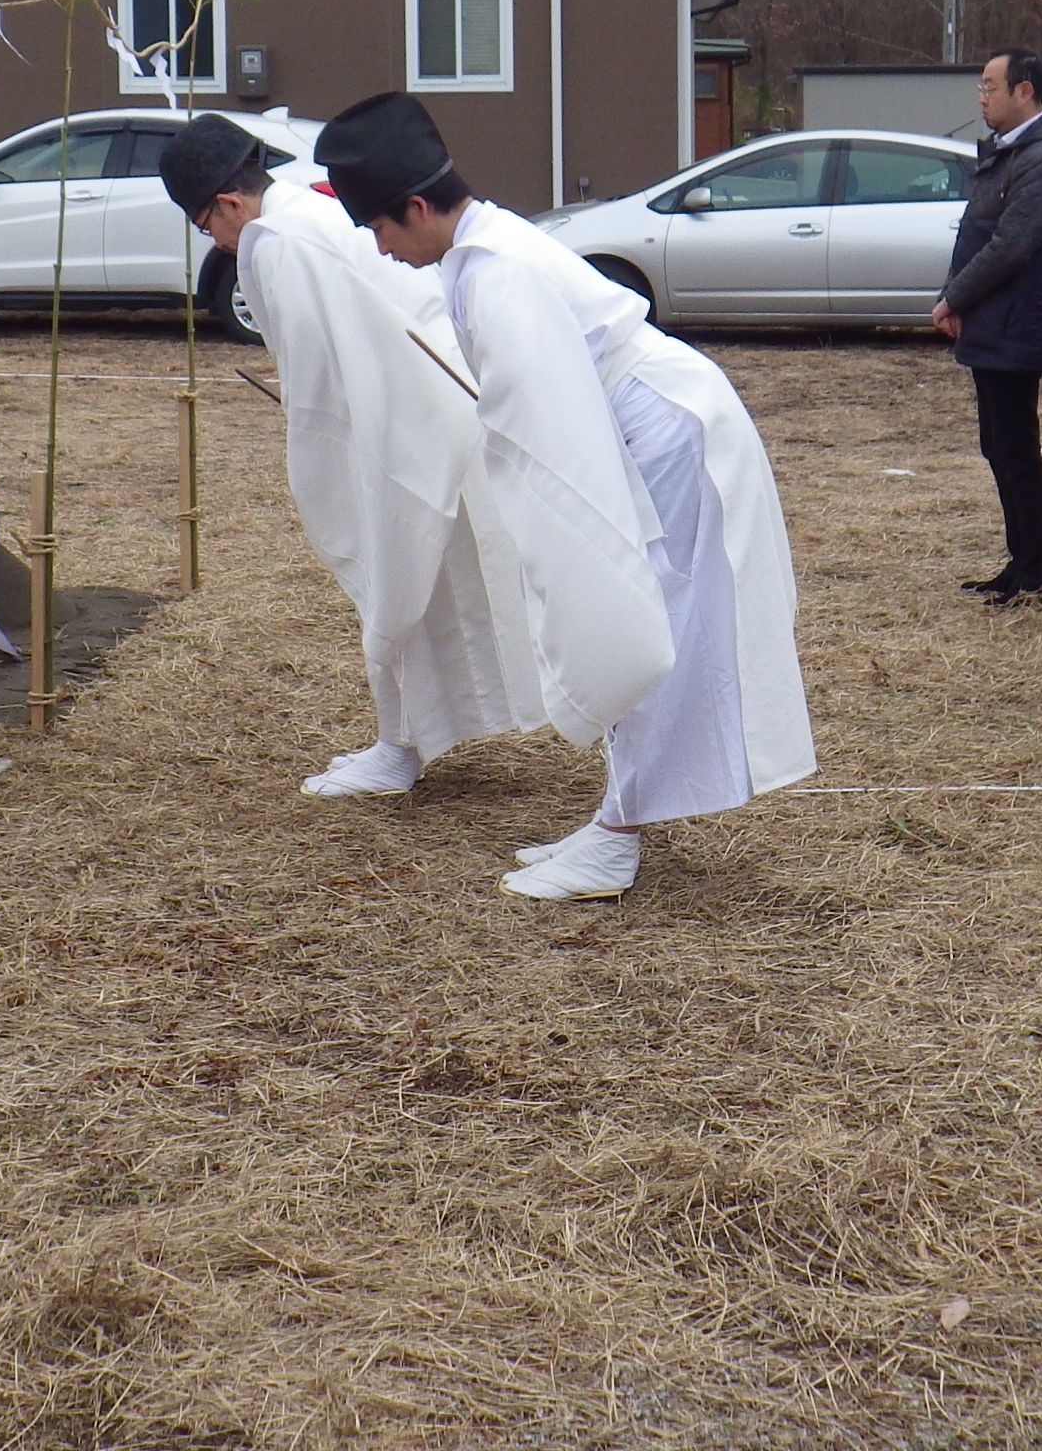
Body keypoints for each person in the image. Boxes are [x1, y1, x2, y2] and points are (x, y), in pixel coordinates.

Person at [315, 91, 816, 901]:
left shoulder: (498, 271)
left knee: (641, 616)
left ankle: (618, 835)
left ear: (415, 207)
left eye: (376, 228)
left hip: (665, 433)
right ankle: (615, 818)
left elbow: (548, 438)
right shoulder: (482, 250)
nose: (378, 248)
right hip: (653, 421)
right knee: (640, 613)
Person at [159, 114, 544, 797]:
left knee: (394, 575)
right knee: (421, 578)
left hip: (397, 423)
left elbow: (315, 377)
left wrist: (315, 457)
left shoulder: (278, 241)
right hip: (424, 411)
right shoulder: (305, 210)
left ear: (228, 204)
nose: (213, 243)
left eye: (204, 226)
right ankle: (408, 734)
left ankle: (401, 746)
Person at [933, 49, 1042, 605]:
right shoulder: (1009, 151)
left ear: (1025, 92)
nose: (982, 95)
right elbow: (981, 234)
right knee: (998, 445)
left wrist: (955, 296)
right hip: (994, 321)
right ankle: (1021, 565)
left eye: (991, 86)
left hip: (1018, 324)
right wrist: (959, 298)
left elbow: (1011, 246)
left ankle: (1039, 573)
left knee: (1015, 449)